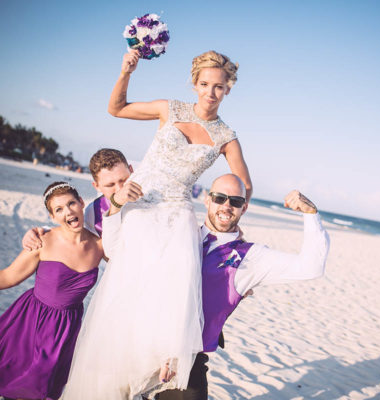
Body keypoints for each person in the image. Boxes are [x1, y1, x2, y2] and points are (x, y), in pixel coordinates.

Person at [62, 50, 252, 399]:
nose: (211, 92)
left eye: (220, 87)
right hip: (139, 206)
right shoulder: (170, 109)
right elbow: (116, 108)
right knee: (128, 293)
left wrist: (229, 232)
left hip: (179, 216)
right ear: (195, 84)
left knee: (171, 297)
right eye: (205, 84)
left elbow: (244, 188)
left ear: (228, 89)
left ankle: (157, 374)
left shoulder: (226, 136)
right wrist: (125, 71)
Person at [101, 174, 330, 400]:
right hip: (137, 347)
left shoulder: (251, 257)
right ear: (207, 200)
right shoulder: (177, 234)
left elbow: (311, 267)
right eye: (220, 198)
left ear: (244, 207)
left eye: (236, 201)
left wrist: (311, 214)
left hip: (186, 364)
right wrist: (115, 205)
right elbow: (114, 252)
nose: (227, 206)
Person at [0, 182, 103, 400]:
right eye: (59, 209)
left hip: (67, 330)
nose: (68, 211)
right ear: (53, 217)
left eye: (71, 203)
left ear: (81, 203)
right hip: (32, 323)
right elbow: (8, 277)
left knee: (44, 391)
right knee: (21, 386)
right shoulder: (43, 242)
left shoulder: (100, 246)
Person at [22, 148, 138, 250]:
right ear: (96, 186)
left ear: (131, 170)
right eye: (110, 185)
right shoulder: (94, 212)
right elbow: (78, 236)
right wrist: (39, 232)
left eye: (123, 180)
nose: (119, 189)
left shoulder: (153, 193)